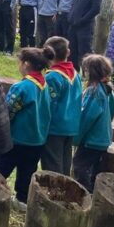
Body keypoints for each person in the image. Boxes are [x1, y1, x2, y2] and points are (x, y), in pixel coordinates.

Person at [0, 48, 52, 212]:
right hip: (38, 139)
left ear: (26, 64)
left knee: (1, 167)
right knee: (27, 170)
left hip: (18, 138)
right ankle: (22, 199)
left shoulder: (22, 87)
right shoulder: (44, 84)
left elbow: (9, 110)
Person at [73, 55, 114, 192]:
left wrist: (76, 137)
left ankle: (85, 194)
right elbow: (112, 108)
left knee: (80, 167)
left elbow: (87, 117)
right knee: (94, 170)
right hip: (103, 138)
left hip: (92, 140)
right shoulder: (108, 89)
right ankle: (94, 193)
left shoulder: (94, 91)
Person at [42, 36, 81, 175]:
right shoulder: (76, 73)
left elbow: (48, 104)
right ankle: (65, 190)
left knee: (52, 164)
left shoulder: (52, 77)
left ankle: (55, 193)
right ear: (68, 52)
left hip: (55, 128)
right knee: (65, 163)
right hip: (71, 126)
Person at [68, 0, 104, 68]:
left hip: (85, 27)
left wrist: (81, 20)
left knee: (84, 51)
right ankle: (74, 72)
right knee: (72, 50)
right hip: (73, 26)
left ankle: (88, 71)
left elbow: (95, 9)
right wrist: (70, 17)